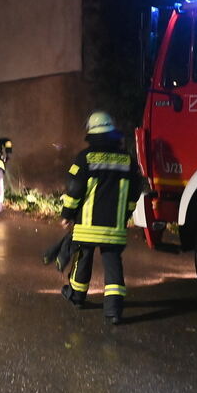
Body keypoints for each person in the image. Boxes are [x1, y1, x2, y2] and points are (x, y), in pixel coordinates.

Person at [59, 111, 143, 325]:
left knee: (82, 259)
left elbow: (74, 189)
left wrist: (67, 214)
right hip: (114, 227)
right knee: (113, 264)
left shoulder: (85, 158)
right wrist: (126, 215)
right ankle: (114, 311)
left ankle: (77, 297)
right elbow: (134, 192)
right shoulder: (128, 160)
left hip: (87, 226)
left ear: (92, 132)